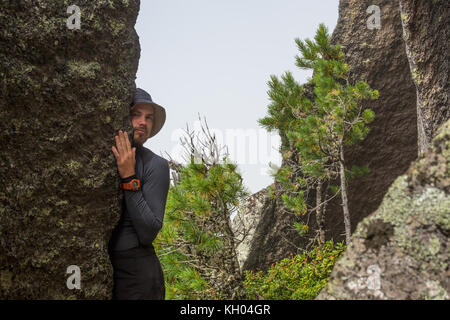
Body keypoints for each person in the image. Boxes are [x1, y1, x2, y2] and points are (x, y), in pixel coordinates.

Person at [108, 88, 170, 300]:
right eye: (136, 114)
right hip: (108, 270)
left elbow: (149, 231)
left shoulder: (156, 165)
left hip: (139, 277)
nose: (143, 122)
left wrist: (129, 178)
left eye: (149, 117)